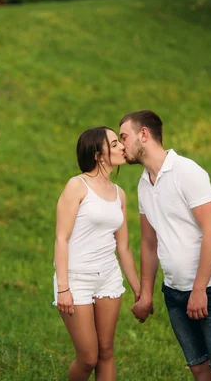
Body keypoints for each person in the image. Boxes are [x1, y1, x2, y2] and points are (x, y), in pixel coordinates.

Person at [118, 110, 211, 381]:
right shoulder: (143, 184)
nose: (121, 145)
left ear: (144, 134)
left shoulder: (187, 172)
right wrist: (147, 295)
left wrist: (199, 289)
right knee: (199, 368)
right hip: (175, 293)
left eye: (124, 137)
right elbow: (149, 243)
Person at [53, 126, 141, 381]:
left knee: (106, 351)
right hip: (76, 278)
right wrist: (63, 288)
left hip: (108, 279)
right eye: (114, 144)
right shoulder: (76, 186)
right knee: (88, 357)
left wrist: (138, 289)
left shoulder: (119, 194)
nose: (122, 147)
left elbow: (123, 246)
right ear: (97, 154)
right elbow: (61, 238)